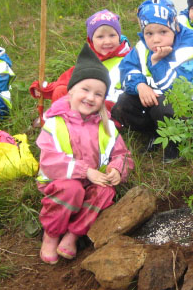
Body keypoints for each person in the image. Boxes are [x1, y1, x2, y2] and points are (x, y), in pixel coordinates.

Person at [36, 44, 134, 265]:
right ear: (70, 91)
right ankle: (51, 235)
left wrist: (117, 169)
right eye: (85, 90)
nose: (91, 98)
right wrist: (84, 171)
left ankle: (73, 235)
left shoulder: (107, 126)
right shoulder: (54, 123)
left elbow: (123, 154)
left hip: (92, 181)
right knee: (71, 190)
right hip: (61, 182)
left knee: (105, 191)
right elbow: (50, 161)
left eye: (98, 94)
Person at [111, 0, 193, 162]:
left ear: (175, 27)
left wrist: (157, 63)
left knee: (163, 107)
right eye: (149, 33)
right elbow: (126, 69)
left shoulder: (189, 44)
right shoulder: (142, 47)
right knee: (123, 104)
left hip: (184, 104)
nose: (156, 39)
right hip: (154, 99)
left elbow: (179, 89)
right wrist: (139, 85)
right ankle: (155, 133)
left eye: (163, 32)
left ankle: (176, 143)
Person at [29, 9, 132, 106]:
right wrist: (43, 88)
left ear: (119, 36)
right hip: (90, 103)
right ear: (91, 41)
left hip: (117, 106)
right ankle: (59, 121)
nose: (107, 41)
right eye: (100, 37)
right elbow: (68, 80)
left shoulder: (131, 57)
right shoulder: (89, 60)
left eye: (112, 35)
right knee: (61, 90)